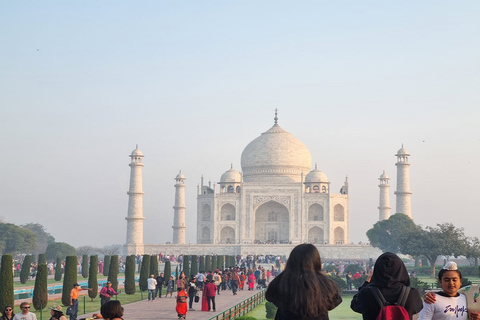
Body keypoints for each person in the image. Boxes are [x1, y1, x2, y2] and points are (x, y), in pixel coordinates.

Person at [266, 244, 342, 320]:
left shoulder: (281, 282)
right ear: (316, 260)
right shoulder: (325, 284)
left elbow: (271, 297)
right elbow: (334, 302)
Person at [351, 252, 423, 320]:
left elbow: (354, 305)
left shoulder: (366, 293)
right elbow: (418, 307)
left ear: (377, 270)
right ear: (401, 269)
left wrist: (367, 282)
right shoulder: (411, 293)